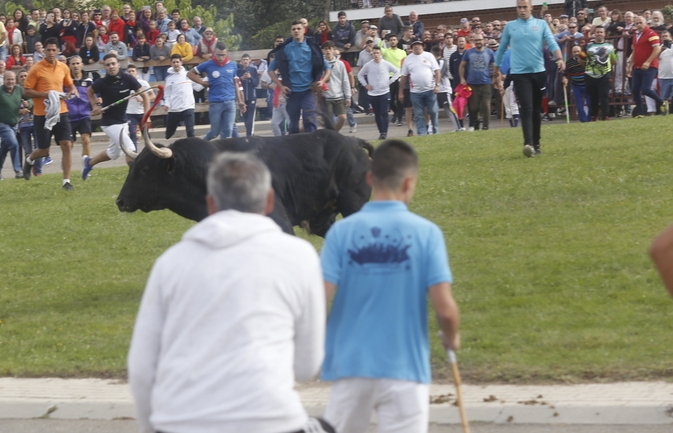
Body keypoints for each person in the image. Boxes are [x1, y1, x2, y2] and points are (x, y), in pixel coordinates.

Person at [128, 152, 325, 433]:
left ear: (210, 203)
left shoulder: (171, 263)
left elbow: (142, 367)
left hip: (181, 421)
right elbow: (307, 366)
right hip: (270, 420)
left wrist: (154, 426)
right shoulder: (299, 256)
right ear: (270, 200)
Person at [320, 140, 458, 433]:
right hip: (405, 370)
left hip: (350, 366)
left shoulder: (341, 232)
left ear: (369, 178)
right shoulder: (427, 234)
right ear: (409, 182)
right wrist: (451, 337)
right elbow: (445, 310)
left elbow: (320, 299)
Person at [495, 0, 564, 157]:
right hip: (520, 74)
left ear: (531, 7)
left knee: (535, 110)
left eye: (525, 7)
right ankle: (528, 144)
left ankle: (537, 143)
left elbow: (552, 42)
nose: (522, 10)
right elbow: (502, 48)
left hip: (538, 73)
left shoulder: (540, 24)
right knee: (525, 108)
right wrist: (496, 68)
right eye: (519, 7)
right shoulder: (510, 26)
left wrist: (559, 58)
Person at [22, 38, 75, 189]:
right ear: (43, 51)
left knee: (67, 144)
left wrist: (70, 92)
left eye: (54, 50)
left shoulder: (63, 67)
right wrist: (47, 94)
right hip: (42, 113)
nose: (51, 53)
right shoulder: (36, 69)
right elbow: (26, 91)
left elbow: (70, 85)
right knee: (44, 151)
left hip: (61, 111)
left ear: (58, 51)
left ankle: (66, 181)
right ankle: (30, 159)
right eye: (48, 50)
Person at [81, 54, 142, 179]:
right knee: (130, 148)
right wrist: (94, 106)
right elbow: (89, 91)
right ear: (105, 67)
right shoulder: (101, 82)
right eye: (108, 65)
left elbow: (144, 94)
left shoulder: (128, 79)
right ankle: (135, 178)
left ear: (118, 64)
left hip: (123, 122)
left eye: (113, 64)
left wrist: (147, 114)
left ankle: (89, 163)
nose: (111, 67)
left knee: (113, 154)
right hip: (109, 124)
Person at [268, 21, 325, 134]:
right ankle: (294, 149)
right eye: (293, 29)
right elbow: (270, 70)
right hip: (292, 92)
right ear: (291, 32)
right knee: (293, 124)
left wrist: (322, 80)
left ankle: (312, 147)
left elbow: (326, 67)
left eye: (299, 28)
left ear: (304, 30)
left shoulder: (312, 48)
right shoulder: (285, 49)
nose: (296, 31)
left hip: (308, 90)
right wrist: (281, 86)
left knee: (310, 120)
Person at [189, 43, 244, 140]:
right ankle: (200, 144)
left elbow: (236, 83)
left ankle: (228, 152)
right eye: (218, 55)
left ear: (226, 53)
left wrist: (240, 101)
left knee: (228, 131)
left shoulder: (233, 65)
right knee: (215, 132)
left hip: (230, 102)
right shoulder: (208, 64)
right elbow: (190, 73)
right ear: (214, 53)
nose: (220, 57)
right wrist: (202, 82)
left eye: (223, 55)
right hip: (215, 102)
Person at [358, 47, 400, 139]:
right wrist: (366, 85)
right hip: (373, 93)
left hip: (384, 92)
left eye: (377, 53)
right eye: (374, 53)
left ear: (380, 54)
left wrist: (390, 81)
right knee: (377, 113)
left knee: (384, 113)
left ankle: (384, 132)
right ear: (372, 55)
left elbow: (397, 71)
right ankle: (381, 131)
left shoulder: (386, 64)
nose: (376, 55)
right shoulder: (368, 65)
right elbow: (360, 75)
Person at [401, 40, 440, 137]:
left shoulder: (429, 56)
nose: (417, 47)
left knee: (433, 111)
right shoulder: (408, 59)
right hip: (415, 92)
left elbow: (437, 71)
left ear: (423, 46)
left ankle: (435, 130)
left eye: (419, 45)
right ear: (411, 47)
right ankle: (422, 133)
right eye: (415, 45)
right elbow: (403, 77)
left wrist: (437, 85)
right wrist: (400, 92)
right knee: (418, 114)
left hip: (430, 90)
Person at [460, 33, 496, 131]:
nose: (478, 42)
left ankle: (485, 126)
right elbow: (462, 66)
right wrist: (462, 78)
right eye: (476, 40)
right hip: (472, 83)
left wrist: (495, 78)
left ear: (484, 40)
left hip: (486, 83)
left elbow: (494, 66)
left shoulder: (489, 52)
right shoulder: (468, 52)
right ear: (473, 42)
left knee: (486, 106)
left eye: (480, 40)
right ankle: (476, 123)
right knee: (474, 107)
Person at [629, 14, 663, 117]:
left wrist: (648, 62)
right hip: (638, 66)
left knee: (645, 89)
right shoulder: (635, 34)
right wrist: (631, 65)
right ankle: (640, 113)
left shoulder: (652, 33)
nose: (639, 25)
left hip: (650, 66)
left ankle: (661, 101)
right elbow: (635, 50)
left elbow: (657, 49)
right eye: (637, 23)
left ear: (646, 23)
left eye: (641, 23)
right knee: (635, 90)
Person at [162, 54, 197, 138]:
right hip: (174, 109)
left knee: (190, 131)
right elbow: (167, 94)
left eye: (177, 62)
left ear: (181, 62)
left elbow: (198, 86)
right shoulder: (169, 79)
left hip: (188, 107)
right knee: (168, 134)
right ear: (171, 64)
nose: (176, 64)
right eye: (174, 62)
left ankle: (192, 149)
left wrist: (208, 82)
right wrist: (167, 104)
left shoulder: (188, 75)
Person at [322, 41, 352, 131]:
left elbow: (345, 80)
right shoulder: (320, 64)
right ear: (323, 51)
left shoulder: (340, 64)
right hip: (326, 97)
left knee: (342, 117)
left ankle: (334, 133)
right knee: (329, 121)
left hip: (338, 95)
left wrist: (348, 97)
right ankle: (330, 136)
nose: (328, 51)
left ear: (333, 50)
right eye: (326, 49)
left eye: (330, 49)